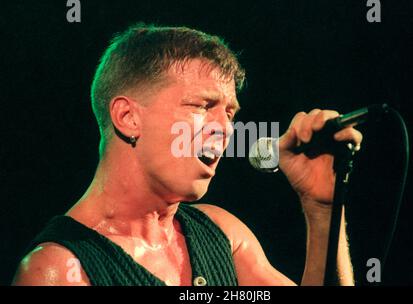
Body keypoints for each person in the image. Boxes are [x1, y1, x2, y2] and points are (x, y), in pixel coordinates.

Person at [12, 24, 362, 286]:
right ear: (128, 117)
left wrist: (323, 212)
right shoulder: (58, 270)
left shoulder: (223, 235)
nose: (225, 129)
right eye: (202, 105)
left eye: (229, 113)